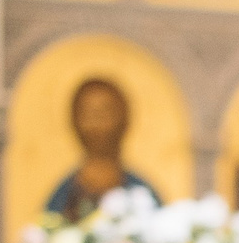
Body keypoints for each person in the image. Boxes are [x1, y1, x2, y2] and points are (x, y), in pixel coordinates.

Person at [43, 77, 157, 221]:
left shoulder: (140, 194)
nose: (96, 124)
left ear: (123, 119)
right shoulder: (63, 196)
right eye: (88, 114)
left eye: (104, 113)